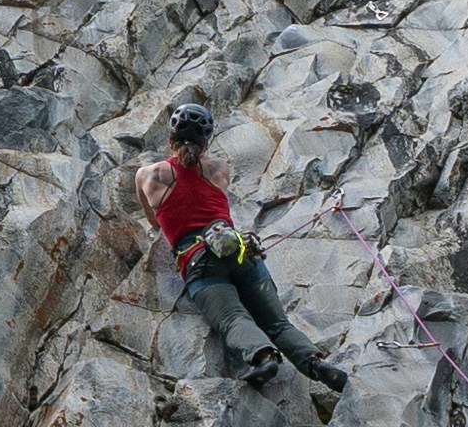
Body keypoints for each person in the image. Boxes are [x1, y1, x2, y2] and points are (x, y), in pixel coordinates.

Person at [146, 100, 345, 389]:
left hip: (199, 261)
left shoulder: (149, 175)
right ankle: (315, 363)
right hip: (240, 250)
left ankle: (263, 357)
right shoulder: (219, 169)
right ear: (206, 144)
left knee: (232, 318)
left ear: (170, 139)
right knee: (279, 324)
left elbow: (153, 219)